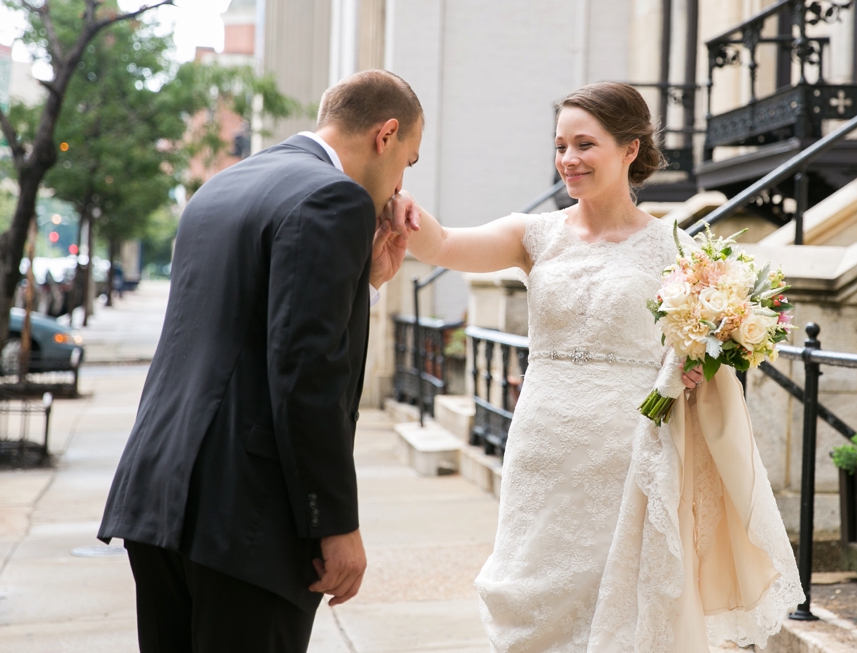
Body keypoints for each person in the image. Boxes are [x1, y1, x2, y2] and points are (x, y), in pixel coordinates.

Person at [390, 82, 804, 651]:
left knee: (622, 604)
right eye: (560, 145)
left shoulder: (677, 250)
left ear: (630, 149)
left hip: (628, 446)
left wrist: (691, 369)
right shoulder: (531, 235)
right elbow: (442, 246)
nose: (568, 160)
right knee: (533, 588)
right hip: (543, 444)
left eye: (585, 144)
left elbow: (702, 348)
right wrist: (399, 202)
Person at [98, 70, 424, 653]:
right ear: (387, 135)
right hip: (246, 519)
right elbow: (307, 374)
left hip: (159, 497)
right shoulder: (335, 196)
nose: (402, 182)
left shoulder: (222, 186)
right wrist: (335, 522)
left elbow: (244, 327)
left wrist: (365, 280)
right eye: (410, 160)